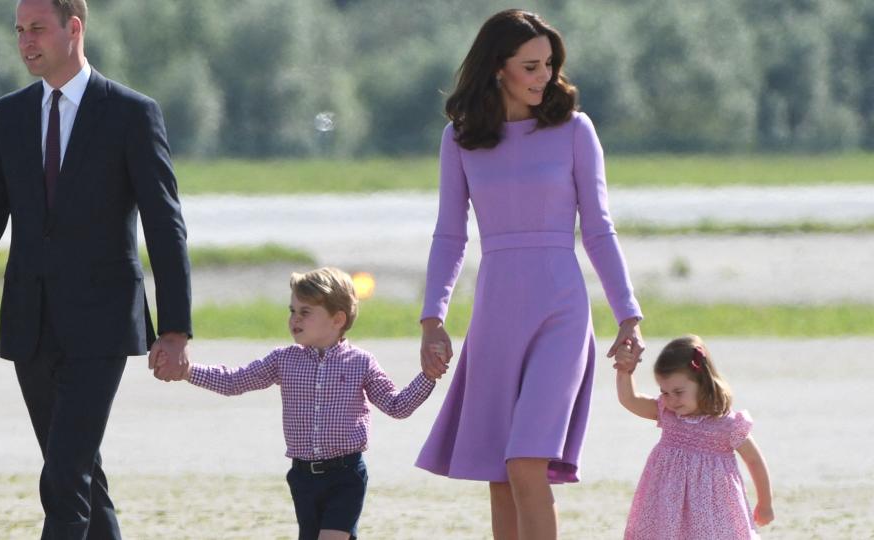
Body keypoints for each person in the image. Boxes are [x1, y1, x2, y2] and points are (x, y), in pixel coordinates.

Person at [0, 0, 192, 537]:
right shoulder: (7, 115)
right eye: (19, 31)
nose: (26, 42)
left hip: (102, 323)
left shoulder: (130, 113)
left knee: (63, 476)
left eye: (37, 29)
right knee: (78, 473)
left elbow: (164, 224)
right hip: (31, 322)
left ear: (73, 28)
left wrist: (174, 327)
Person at [413, 9, 645, 539]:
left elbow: (599, 231)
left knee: (525, 462)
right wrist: (433, 317)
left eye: (549, 65)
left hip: (561, 309)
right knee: (500, 473)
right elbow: (450, 234)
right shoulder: (460, 138)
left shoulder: (573, 130)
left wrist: (628, 315)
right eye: (531, 66)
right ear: (499, 68)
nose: (544, 76)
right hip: (495, 312)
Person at [168, 267, 436, 540]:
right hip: (303, 478)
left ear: (337, 319)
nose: (294, 319)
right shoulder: (283, 360)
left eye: (305, 312)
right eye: (292, 310)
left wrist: (428, 376)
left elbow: (397, 405)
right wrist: (188, 371)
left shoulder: (361, 363)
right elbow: (235, 381)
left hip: (346, 475)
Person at [614, 335, 774, 539]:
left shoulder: (727, 424)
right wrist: (624, 371)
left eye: (678, 392)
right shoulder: (666, 412)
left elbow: (754, 460)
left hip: (712, 511)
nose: (671, 400)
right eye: (665, 392)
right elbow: (630, 399)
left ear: (703, 382)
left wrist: (765, 502)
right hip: (667, 508)